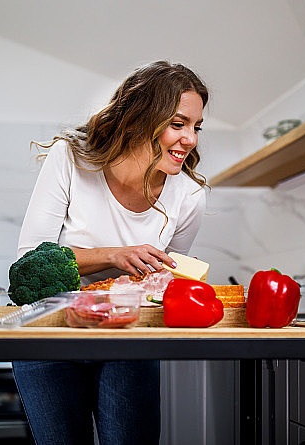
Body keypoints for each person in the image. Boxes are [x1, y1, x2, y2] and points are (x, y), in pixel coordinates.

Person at [13, 60, 209, 445]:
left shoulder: (189, 196)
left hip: (128, 338)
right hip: (50, 333)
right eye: (178, 124)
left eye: (196, 127)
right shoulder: (72, 159)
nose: (190, 139)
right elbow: (29, 260)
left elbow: (166, 283)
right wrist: (114, 255)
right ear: (140, 119)